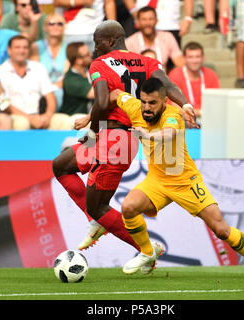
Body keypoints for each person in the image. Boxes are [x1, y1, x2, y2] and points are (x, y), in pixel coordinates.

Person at [108, 77, 244, 278]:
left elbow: (169, 134)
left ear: (164, 102)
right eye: (144, 102)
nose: (146, 108)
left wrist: (146, 136)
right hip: (157, 180)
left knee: (221, 230)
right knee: (128, 207)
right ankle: (148, 252)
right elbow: (114, 94)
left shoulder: (172, 114)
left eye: (152, 103)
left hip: (185, 181)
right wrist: (91, 119)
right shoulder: (135, 107)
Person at [52, 20, 196, 253]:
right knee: (61, 166)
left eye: (97, 42)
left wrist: (90, 133)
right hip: (119, 139)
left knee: (99, 207)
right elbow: (167, 84)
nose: (95, 47)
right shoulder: (148, 62)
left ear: (110, 41)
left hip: (115, 140)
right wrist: (186, 104)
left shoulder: (99, 63)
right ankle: (98, 221)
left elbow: (101, 101)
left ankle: (148, 249)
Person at [0, 35, 69, 130]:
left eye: (25, 47)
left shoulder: (38, 67)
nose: (21, 51)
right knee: (22, 123)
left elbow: (50, 96)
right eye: (17, 47)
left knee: (65, 121)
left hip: (39, 115)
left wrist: (47, 117)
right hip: (15, 116)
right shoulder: (0, 71)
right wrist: (29, 118)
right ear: (9, 50)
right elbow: (3, 103)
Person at [125, 6, 184, 72]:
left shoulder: (167, 37)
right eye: (144, 19)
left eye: (151, 19)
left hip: (163, 79)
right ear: (137, 22)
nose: (147, 23)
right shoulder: (129, 42)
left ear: (156, 20)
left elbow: (180, 63)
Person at [169, 42, 220, 117]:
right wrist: (195, 112)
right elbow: (172, 104)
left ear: (203, 58)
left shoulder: (211, 75)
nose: (194, 61)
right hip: (183, 119)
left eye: (197, 57)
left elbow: (216, 100)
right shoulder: (175, 75)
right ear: (184, 58)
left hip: (207, 117)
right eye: (190, 57)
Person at [29, 13, 69, 111]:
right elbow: (34, 72)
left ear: (64, 27)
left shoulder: (68, 48)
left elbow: (67, 75)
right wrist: (48, 88)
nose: (55, 26)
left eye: (60, 24)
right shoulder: (36, 47)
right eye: (51, 23)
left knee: (58, 94)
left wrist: (54, 87)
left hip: (60, 88)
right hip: (40, 87)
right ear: (45, 27)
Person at [124, 0, 194, 46]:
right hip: (144, 24)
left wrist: (188, 18)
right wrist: (136, 14)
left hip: (170, 24)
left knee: (171, 63)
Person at [60, 42, 93, 116]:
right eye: (87, 54)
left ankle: (104, 127)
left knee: (105, 121)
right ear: (78, 60)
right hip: (76, 119)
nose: (91, 54)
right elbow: (97, 93)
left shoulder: (91, 70)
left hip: (95, 117)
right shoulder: (70, 80)